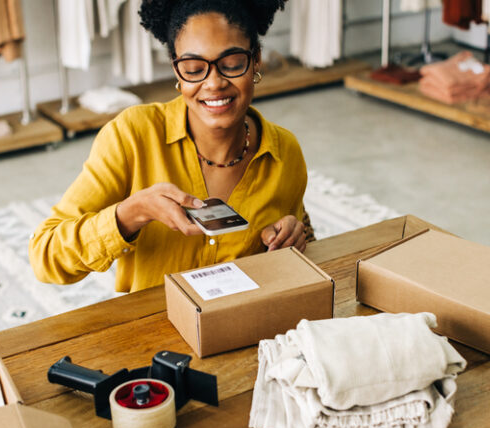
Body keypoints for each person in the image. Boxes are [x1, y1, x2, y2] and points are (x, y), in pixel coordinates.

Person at [29, 0, 312, 293]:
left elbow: (302, 241)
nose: (214, 83)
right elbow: (45, 256)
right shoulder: (132, 136)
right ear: (177, 71)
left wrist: (295, 235)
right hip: (153, 332)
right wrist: (130, 214)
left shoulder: (284, 152)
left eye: (231, 64)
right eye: (193, 68)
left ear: (256, 60)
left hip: (247, 326)